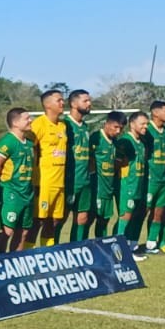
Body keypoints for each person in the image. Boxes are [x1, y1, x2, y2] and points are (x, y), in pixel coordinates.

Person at [0, 107, 37, 254]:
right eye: (26, 118)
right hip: (11, 193)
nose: (30, 120)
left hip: (27, 193)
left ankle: (14, 264)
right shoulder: (8, 142)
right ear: (16, 123)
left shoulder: (30, 143)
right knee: (7, 231)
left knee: (23, 232)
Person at [29, 89, 70, 246]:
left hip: (59, 182)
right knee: (38, 220)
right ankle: (28, 254)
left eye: (62, 100)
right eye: (58, 100)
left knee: (54, 221)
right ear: (47, 105)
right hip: (44, 182)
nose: (62, 103)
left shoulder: (63, 126)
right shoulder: (38, 124)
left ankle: (47, 252)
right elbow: (28, 149)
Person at [115, 111, 150, 260]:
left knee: (135, 215)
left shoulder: (141, 143)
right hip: (126, 185)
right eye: (142, 123)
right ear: (132, 124)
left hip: (138, 185)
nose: (145, 127)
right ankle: (119, 250)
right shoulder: (125, 141)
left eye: (147, 124)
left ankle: (130, 247)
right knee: (125, 216)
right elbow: (117, 163)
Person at [62, 89, 96, 242]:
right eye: (85, 101)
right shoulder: (65, 125)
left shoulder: (85, 127)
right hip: (69, 182)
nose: (89, 104)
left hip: (85, 181)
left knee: (83, 218)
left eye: (89, 100)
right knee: (60, 219)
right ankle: (56, 252)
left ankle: (78, 250)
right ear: (73, 104)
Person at [141, 100, 165, 254]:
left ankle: (151, 244)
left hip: (163, 179)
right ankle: (132, 244)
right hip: (149, 180)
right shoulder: (147, 132)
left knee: (159, 212)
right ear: (155, 113)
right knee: (143, 212)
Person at [90, 110, 127, 238]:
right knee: (89, 220)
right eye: (115, 127)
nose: (118, 131)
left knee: (105, 220)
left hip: (109, 188)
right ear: (106, 124)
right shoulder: (96, 138)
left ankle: (102, 245)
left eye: (121, 129)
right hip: (97, 188)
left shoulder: (116, 143)